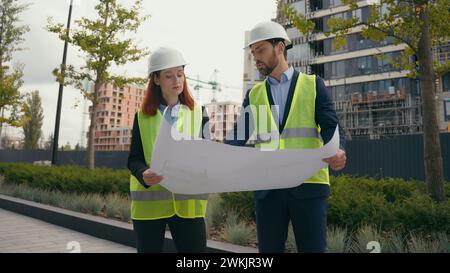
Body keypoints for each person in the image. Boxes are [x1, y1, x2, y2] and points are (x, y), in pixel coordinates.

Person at [225, 21, 347, 253]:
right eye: (253, 53)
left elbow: (331, 127)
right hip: (268, 188)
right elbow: (237, 138)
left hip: (308, 185)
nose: (256, 58)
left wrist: (339, 150)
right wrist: (210, 156)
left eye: (260, 50)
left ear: (279, 48)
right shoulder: (254, 94)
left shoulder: (313, 85)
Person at [127, 47, 210, 253]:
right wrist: (142, 174)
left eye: (180, 74)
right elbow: (133, 159)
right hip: (150, 206)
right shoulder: (142, 117)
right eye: (169, 76)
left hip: (188, 205)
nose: (177, 81)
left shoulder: (200, 113)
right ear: (156, 80)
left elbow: (207, 157)